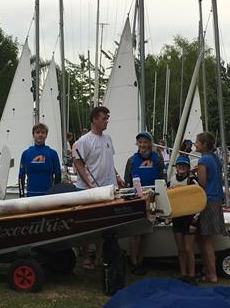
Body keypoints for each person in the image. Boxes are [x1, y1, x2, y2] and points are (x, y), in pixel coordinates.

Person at [72, 106, 125, 267]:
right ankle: (87, 256)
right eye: (104, 118)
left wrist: (117, 176)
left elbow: (109, 160)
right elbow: (78, 163)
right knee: (87, 224)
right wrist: (89, 184)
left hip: (108, 188)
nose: (106, 121)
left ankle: (101, 256)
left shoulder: (108, 139)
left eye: (107, 118)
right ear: (95, 119)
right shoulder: (84, 141)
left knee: (104, 224)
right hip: (89, 189)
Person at [123, 131, 165, 274]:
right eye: (140, 142)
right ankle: (133, 261)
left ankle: (141, 260)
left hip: (152, 198)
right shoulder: (131, 160)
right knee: (134, 232)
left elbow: (162, 179)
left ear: (150, 143)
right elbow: (127, 181)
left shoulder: (158, 159)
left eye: (145, 142)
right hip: (136, 199)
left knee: (146, 232)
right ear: (137, 144)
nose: (142, 145)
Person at [192, 131, 225, 283]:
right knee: (203, 238)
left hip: (208, 201)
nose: (195, 144)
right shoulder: (215, 158)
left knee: (205, 241)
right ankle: (207, 270)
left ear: (204, 144)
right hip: (217, 199)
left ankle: (212, 275)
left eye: (197, 142)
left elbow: (203, 183)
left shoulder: (203, 160)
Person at [169, 156, 197, 284]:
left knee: (188, 249)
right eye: (179, 165)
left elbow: (200, 201)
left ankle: (192, 275)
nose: (181, 167)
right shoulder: (171, 181)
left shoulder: (192, 181)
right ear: (176, 167)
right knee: (180, 248)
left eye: (184, 165)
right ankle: (183, 274)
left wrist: (194, 221)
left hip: (189, 219)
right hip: (177, 218)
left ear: (188, 168)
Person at [18, 123, 61, 197]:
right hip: (31, 195)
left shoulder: (52, 153)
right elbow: (21, 176)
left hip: (48, 195)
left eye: (43, 133)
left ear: (46, 135)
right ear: (33, 135)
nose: (40, 135)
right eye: (37, 132)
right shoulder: (26, 154)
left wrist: (55, 194)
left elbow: (58, 175)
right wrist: (21, 195)